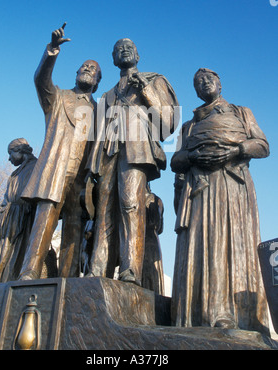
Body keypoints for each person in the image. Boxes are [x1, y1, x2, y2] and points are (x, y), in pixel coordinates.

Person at [170, 68, 270, 334]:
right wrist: (192, 158)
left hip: (232, 188)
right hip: (200, 190)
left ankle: (233, 314)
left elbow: (262, 145)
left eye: (208, 79)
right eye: (197, 82)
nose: (203, 83)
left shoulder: (241, 112)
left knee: (228, 244)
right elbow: (175, 161)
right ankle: (198, 313)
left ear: (219, 84)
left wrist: (235, 150)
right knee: (203, 245)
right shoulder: (189, 126)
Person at [86, 38, 178, 286]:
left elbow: (168, 123)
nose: (123, 50)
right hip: (107, 153)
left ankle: (131, 270)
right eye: (117, 49)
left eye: (129, 47)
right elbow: (93, 133)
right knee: (104, 212)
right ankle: (97, 269)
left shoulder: (155, 80)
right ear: (114, 59)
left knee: (130, 205)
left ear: (138, 55)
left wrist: (146, 91)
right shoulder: (107, 94)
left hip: (136, 149)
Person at [19, 24, 102, 280]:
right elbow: (40, 80)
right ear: (77, 73)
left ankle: (67, 280)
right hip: (56, 168)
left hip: (83, 180)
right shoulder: (57, 97)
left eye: (94, 70)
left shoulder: (102, 112)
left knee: (74, 233)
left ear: (98, 82)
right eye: (85, 67)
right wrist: (52, 50)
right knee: (45, 219)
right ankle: (30, 270)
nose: (88, 70)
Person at [0, 138, 37, 283]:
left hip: (24, 220)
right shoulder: (14, 174)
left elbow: (33, 198)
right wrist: (2, 208)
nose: (9, 158)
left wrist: (11, 208)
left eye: (11, 153)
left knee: (15, 258)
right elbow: (7, 198)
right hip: (9, 217)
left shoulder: (36, 167)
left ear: (20, 151)